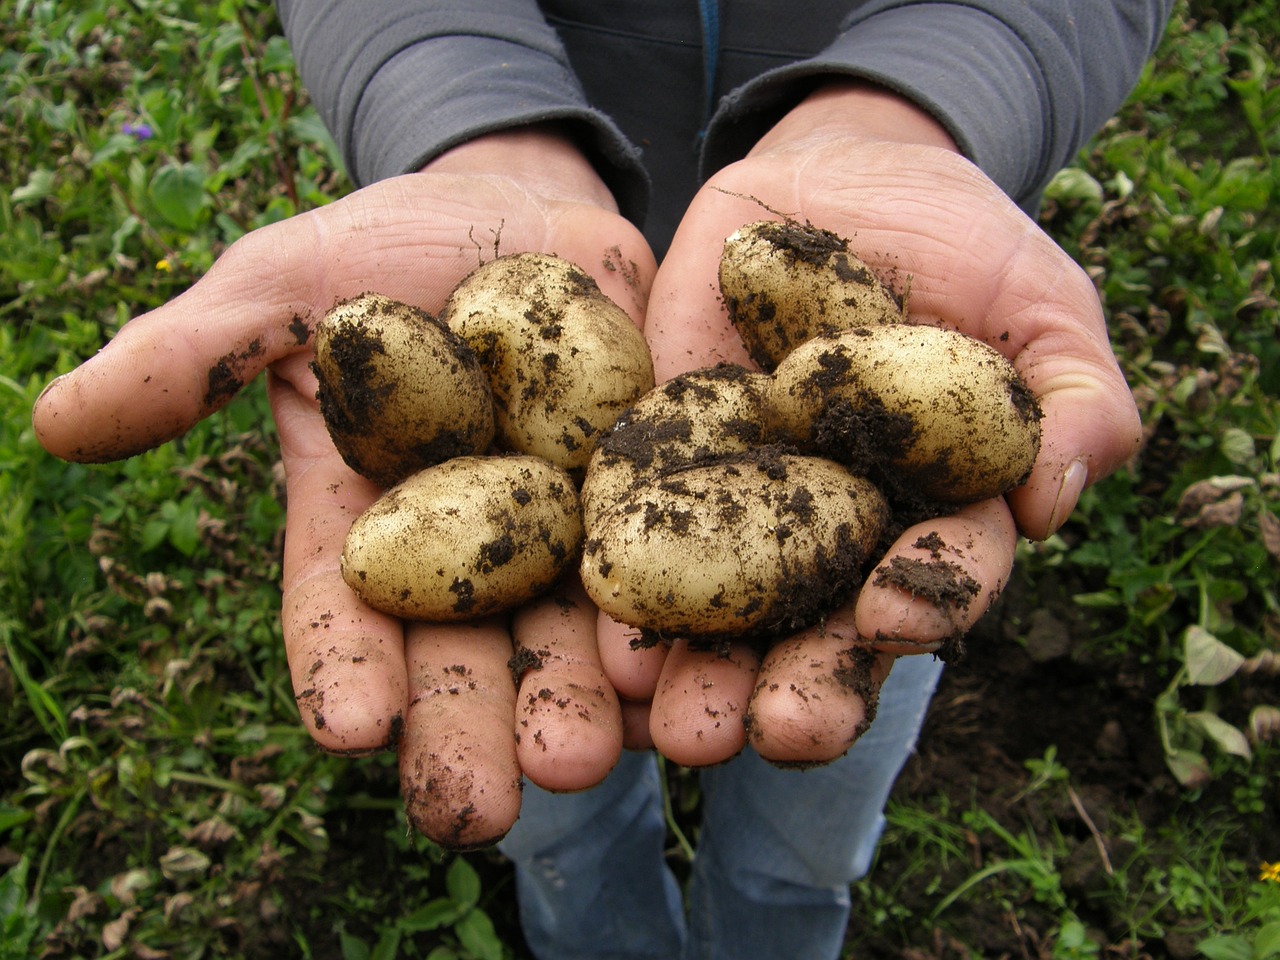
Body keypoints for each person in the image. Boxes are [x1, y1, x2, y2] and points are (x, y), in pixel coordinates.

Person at [33, 2, 1172, 957]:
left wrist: (919, 104)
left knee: (814, 786)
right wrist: (472, 121)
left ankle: (774, 917)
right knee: (553, 803)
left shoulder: (813, 398)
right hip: (540, 207)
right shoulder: (556, 419)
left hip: (873, 432)